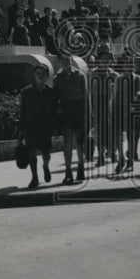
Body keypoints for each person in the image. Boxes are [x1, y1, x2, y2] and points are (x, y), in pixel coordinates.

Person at [17, 64, 56, 188]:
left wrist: (54, 128)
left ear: (47, 76)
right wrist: (21, 130)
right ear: (34, 75)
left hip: (45, 128)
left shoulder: (51, 92)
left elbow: (54, 112)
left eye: (43, 74)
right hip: (31, 127)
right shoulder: (27, 91)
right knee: (31, 154)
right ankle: (34, 177)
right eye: (38, 73)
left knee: (46, 154)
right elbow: (22, 111)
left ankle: (45, 166)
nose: (40, 76)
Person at [54, 55, 90, 184]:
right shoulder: (57, 78)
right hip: (66, 111)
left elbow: (86, 96)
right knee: (67, 142)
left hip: (79, 110)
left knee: (79, 142)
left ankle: (81, 168)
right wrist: (58, 109)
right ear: (59, 61)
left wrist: (88, 115)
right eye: (62, 59)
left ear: (70, 60)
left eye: (67, 59)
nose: (65, 62)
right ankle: (68, 171)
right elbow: (55, 98)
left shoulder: (80, 75)